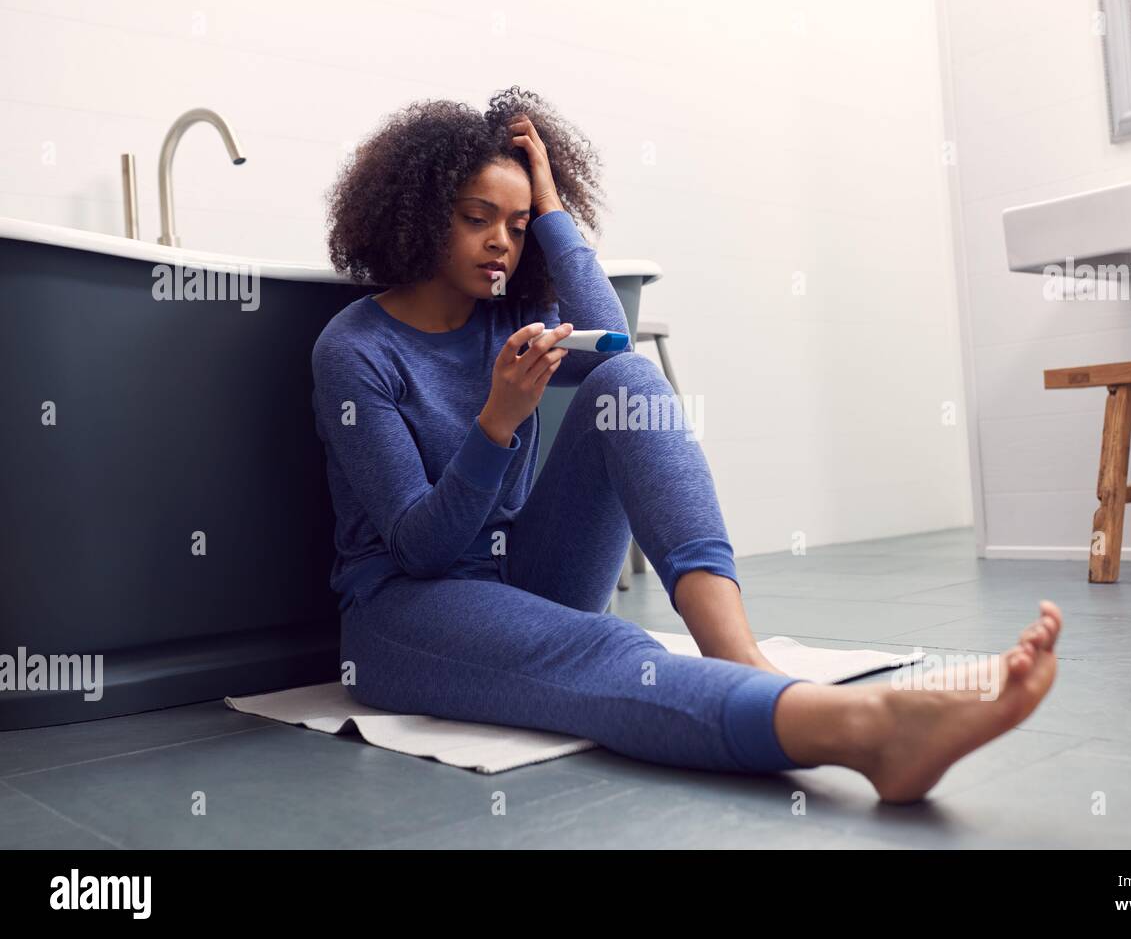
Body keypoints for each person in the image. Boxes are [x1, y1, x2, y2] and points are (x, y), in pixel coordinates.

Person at [310, 87, 1061, 803]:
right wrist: (496, 425)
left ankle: (738, 656)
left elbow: (615, 348)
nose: (501, 242)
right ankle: (869, 733)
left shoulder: (506, 316)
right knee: (606, 655)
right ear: (419, 214)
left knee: (627, 385)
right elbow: (419, 551)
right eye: (480, 218)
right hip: (408, 612)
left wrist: (555, 210)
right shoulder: (356, 350)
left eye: (516, 222)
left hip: (526, 576)